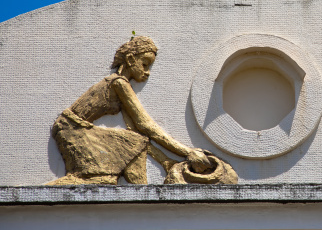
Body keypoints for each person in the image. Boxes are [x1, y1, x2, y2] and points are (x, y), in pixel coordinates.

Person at [47, 36, 213, 185]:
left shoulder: (121, 85)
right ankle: (141, 195)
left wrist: (165, 160)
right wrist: (188, 152)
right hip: (71, 130)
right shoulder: (118, 83)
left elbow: (139, 135)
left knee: (131, 142)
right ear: (131, 59)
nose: (147, 72)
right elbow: (146, 125)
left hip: (73, 129)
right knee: (101, 179)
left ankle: (141, 192)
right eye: (145, 64)